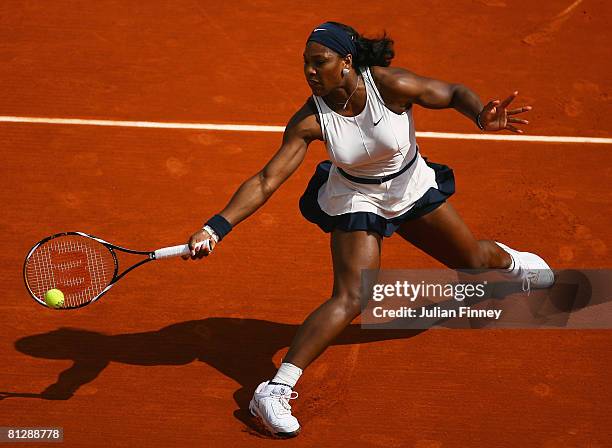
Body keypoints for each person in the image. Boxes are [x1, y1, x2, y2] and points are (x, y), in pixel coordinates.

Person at [184, 21, 554, 438]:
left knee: (470, 260)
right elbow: (267, 180)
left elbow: (450, 93)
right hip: (355, 199)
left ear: (346, 62)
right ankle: (273, 389)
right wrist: (215, 227)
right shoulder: (310, 119)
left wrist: (480, 116)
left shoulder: (388, 85)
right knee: (353, 294)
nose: (309, 72)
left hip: (409, 184)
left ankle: (508, 261)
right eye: (305, 63)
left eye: (318, 62)